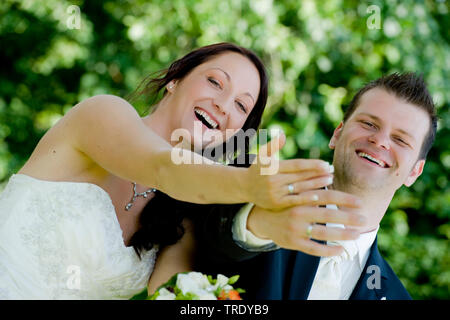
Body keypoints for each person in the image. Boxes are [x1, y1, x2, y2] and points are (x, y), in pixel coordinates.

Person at [0, 42, 345, 299]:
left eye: (241, 105)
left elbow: (169, 293)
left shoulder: (184, 215)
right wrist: (248, 185)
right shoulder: (103, 114)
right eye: (215, 82)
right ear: (175, 79)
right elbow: (164, 167)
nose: (223, 105)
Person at [175, 72, 437, 300]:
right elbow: (207, 235)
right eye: (369, 124)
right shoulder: (254, 184)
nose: (379, 141)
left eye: (401, 140)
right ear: (337, 134)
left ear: (415, 171)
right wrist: (256, 224)